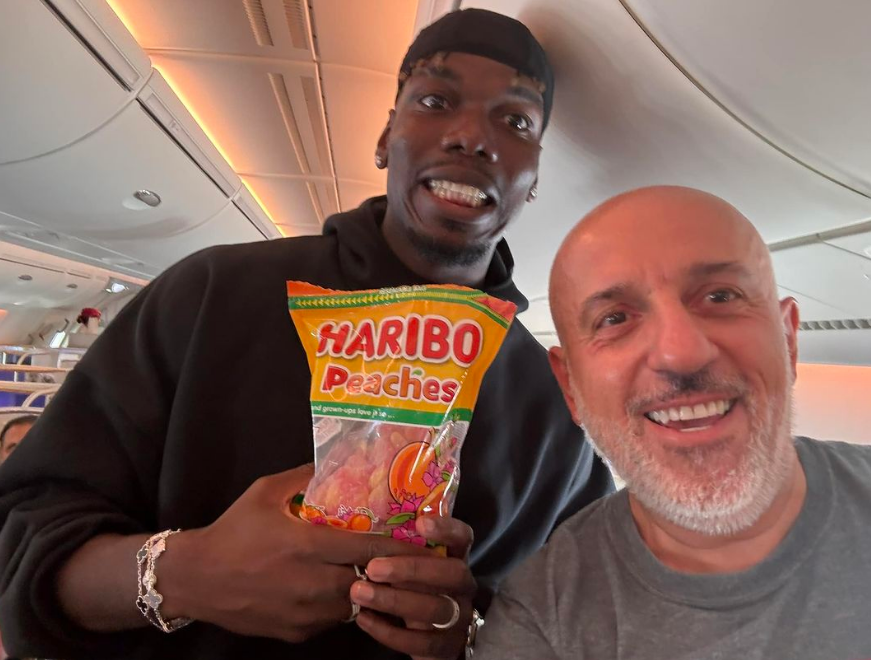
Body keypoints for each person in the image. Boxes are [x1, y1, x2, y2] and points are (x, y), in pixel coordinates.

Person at [0, 9, 612, 660]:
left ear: (535, 176)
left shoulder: (556, 407)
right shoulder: (208, 295)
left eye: (515, 122)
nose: (471, 136)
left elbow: (579, 625)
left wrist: (472, 641)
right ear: (385, 138)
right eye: (436, 101)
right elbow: (22, 532)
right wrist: (185, 574)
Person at [474, 185, 871, 659]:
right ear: (570, 388)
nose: (681, 353)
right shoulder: (541, 618)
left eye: (720, 296)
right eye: (614, 319)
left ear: (788, 340)